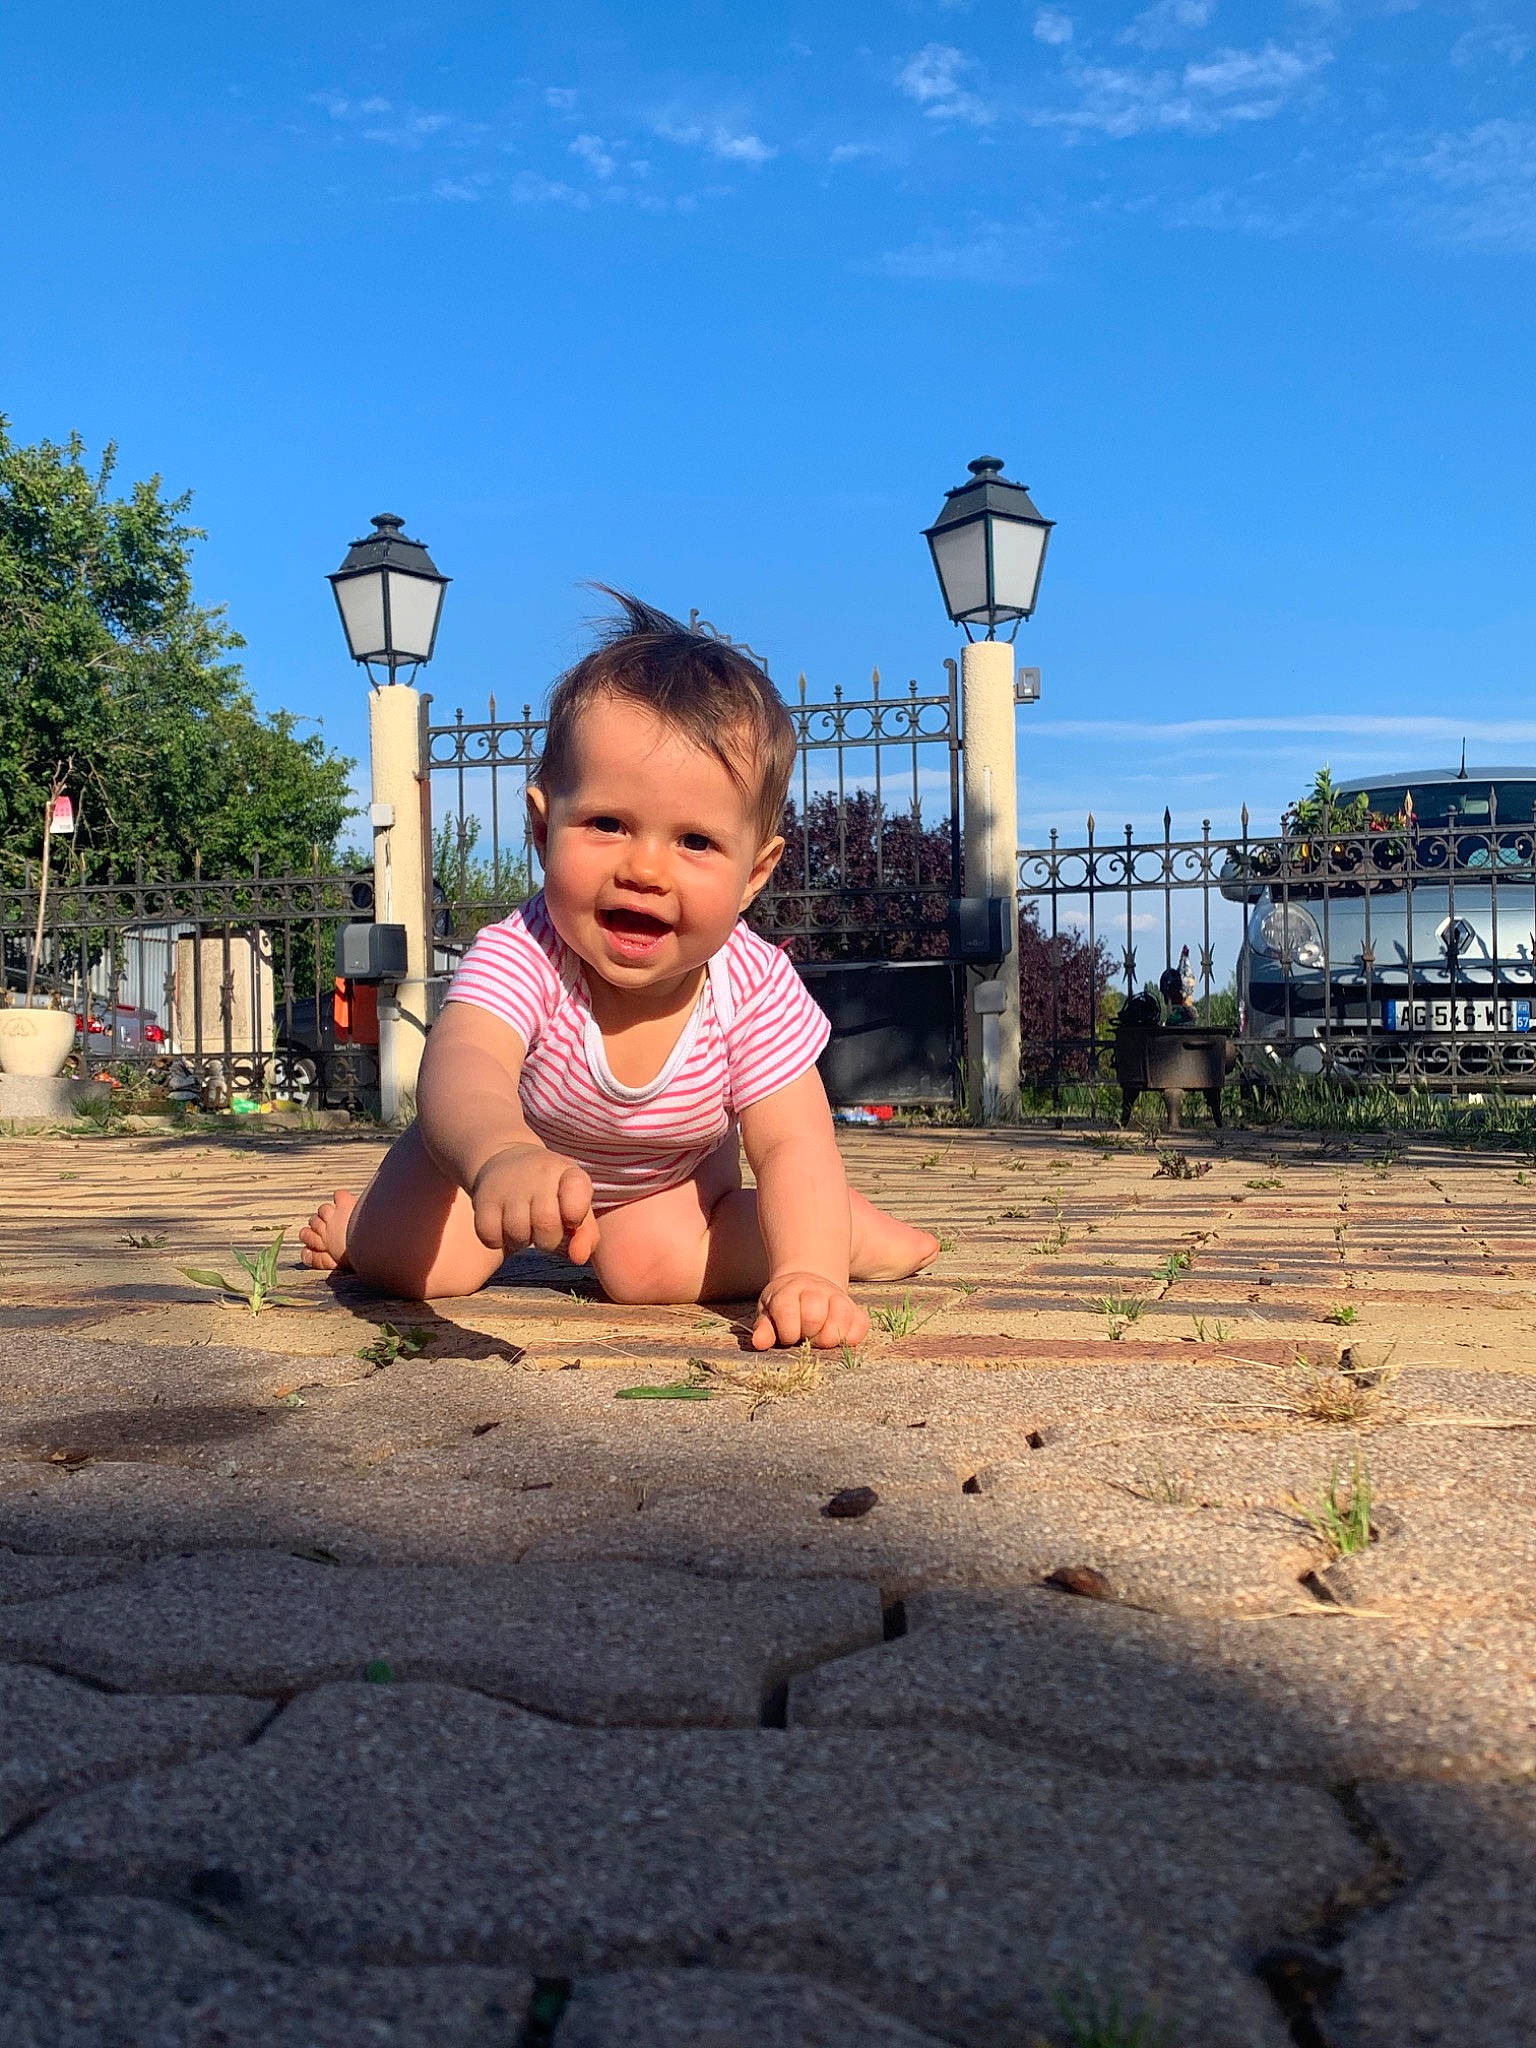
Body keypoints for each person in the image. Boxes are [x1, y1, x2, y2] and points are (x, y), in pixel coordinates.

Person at [300, 593, 939, 1350]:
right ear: (543, 829)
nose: (644, 868)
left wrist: (810, 1274)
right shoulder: (525, 951)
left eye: (696, 841)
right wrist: (498, 1152)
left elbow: (793, 1143)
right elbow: (463, 1062)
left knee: (642, 1268)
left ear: (756, 873)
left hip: (667, 1186)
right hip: (501, 1158)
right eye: (607, 824)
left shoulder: (753, 987)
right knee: (406, 1263)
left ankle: (840, 1237)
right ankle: (363, 1225)